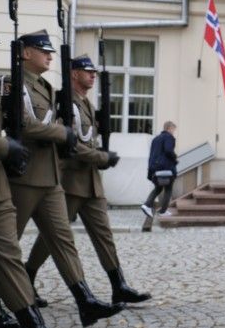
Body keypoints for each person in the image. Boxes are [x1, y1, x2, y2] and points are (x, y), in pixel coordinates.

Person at [6, 30, 125, 327]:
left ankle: (84, 301)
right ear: (25, 53)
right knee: (7, 245)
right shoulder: (13, 83)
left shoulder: (46, 87)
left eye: (50, 51)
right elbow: (24, 124)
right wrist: (63, 133)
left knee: (63, 241)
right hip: (24, 177)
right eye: (42, 50)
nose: (49, 56)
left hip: (50, 177)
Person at [25, 55, 151, 306]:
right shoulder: (63, 102)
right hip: (71, 180)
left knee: (104, 235)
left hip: (91, 182)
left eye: (94, 71)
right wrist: (100, 157)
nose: (92, 75)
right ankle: (28, 274)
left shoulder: (87, 104)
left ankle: (119, 285)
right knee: (52, 238)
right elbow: (69, 143)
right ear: (73, 73)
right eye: (87, 71)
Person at [0, 71, 83, 328]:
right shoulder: (12, 82)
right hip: (20, 180)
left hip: (0, 187)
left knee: (9, 255)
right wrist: (6, 146)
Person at [141, 121, 178, 217]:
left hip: (155, 168)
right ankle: (163, 211)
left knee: (158, 188)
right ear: (169, 128)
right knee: (168, 189)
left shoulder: (156, 139)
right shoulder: (169, 137)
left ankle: (147, 205)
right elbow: (168, 150)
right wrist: (175, 158)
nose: (174, 132)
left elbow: (152, 154)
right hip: (166, 168)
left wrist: (150, 171)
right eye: (173, 129)